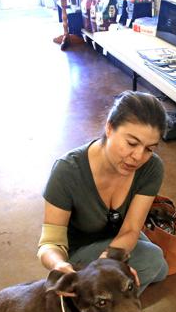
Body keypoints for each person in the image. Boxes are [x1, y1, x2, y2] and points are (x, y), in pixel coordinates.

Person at [38, 91, 168, 294]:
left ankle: (95, 293)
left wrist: (107, 262)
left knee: (160, 267)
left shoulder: (152, 168)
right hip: (78, 251)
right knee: (152, 260)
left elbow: (131, 229)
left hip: (116, 237)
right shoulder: (68, 170)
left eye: (149, 149)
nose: (138, 156)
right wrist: (59, 266)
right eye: (132, 143)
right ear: (109, 127)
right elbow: (49, 243)